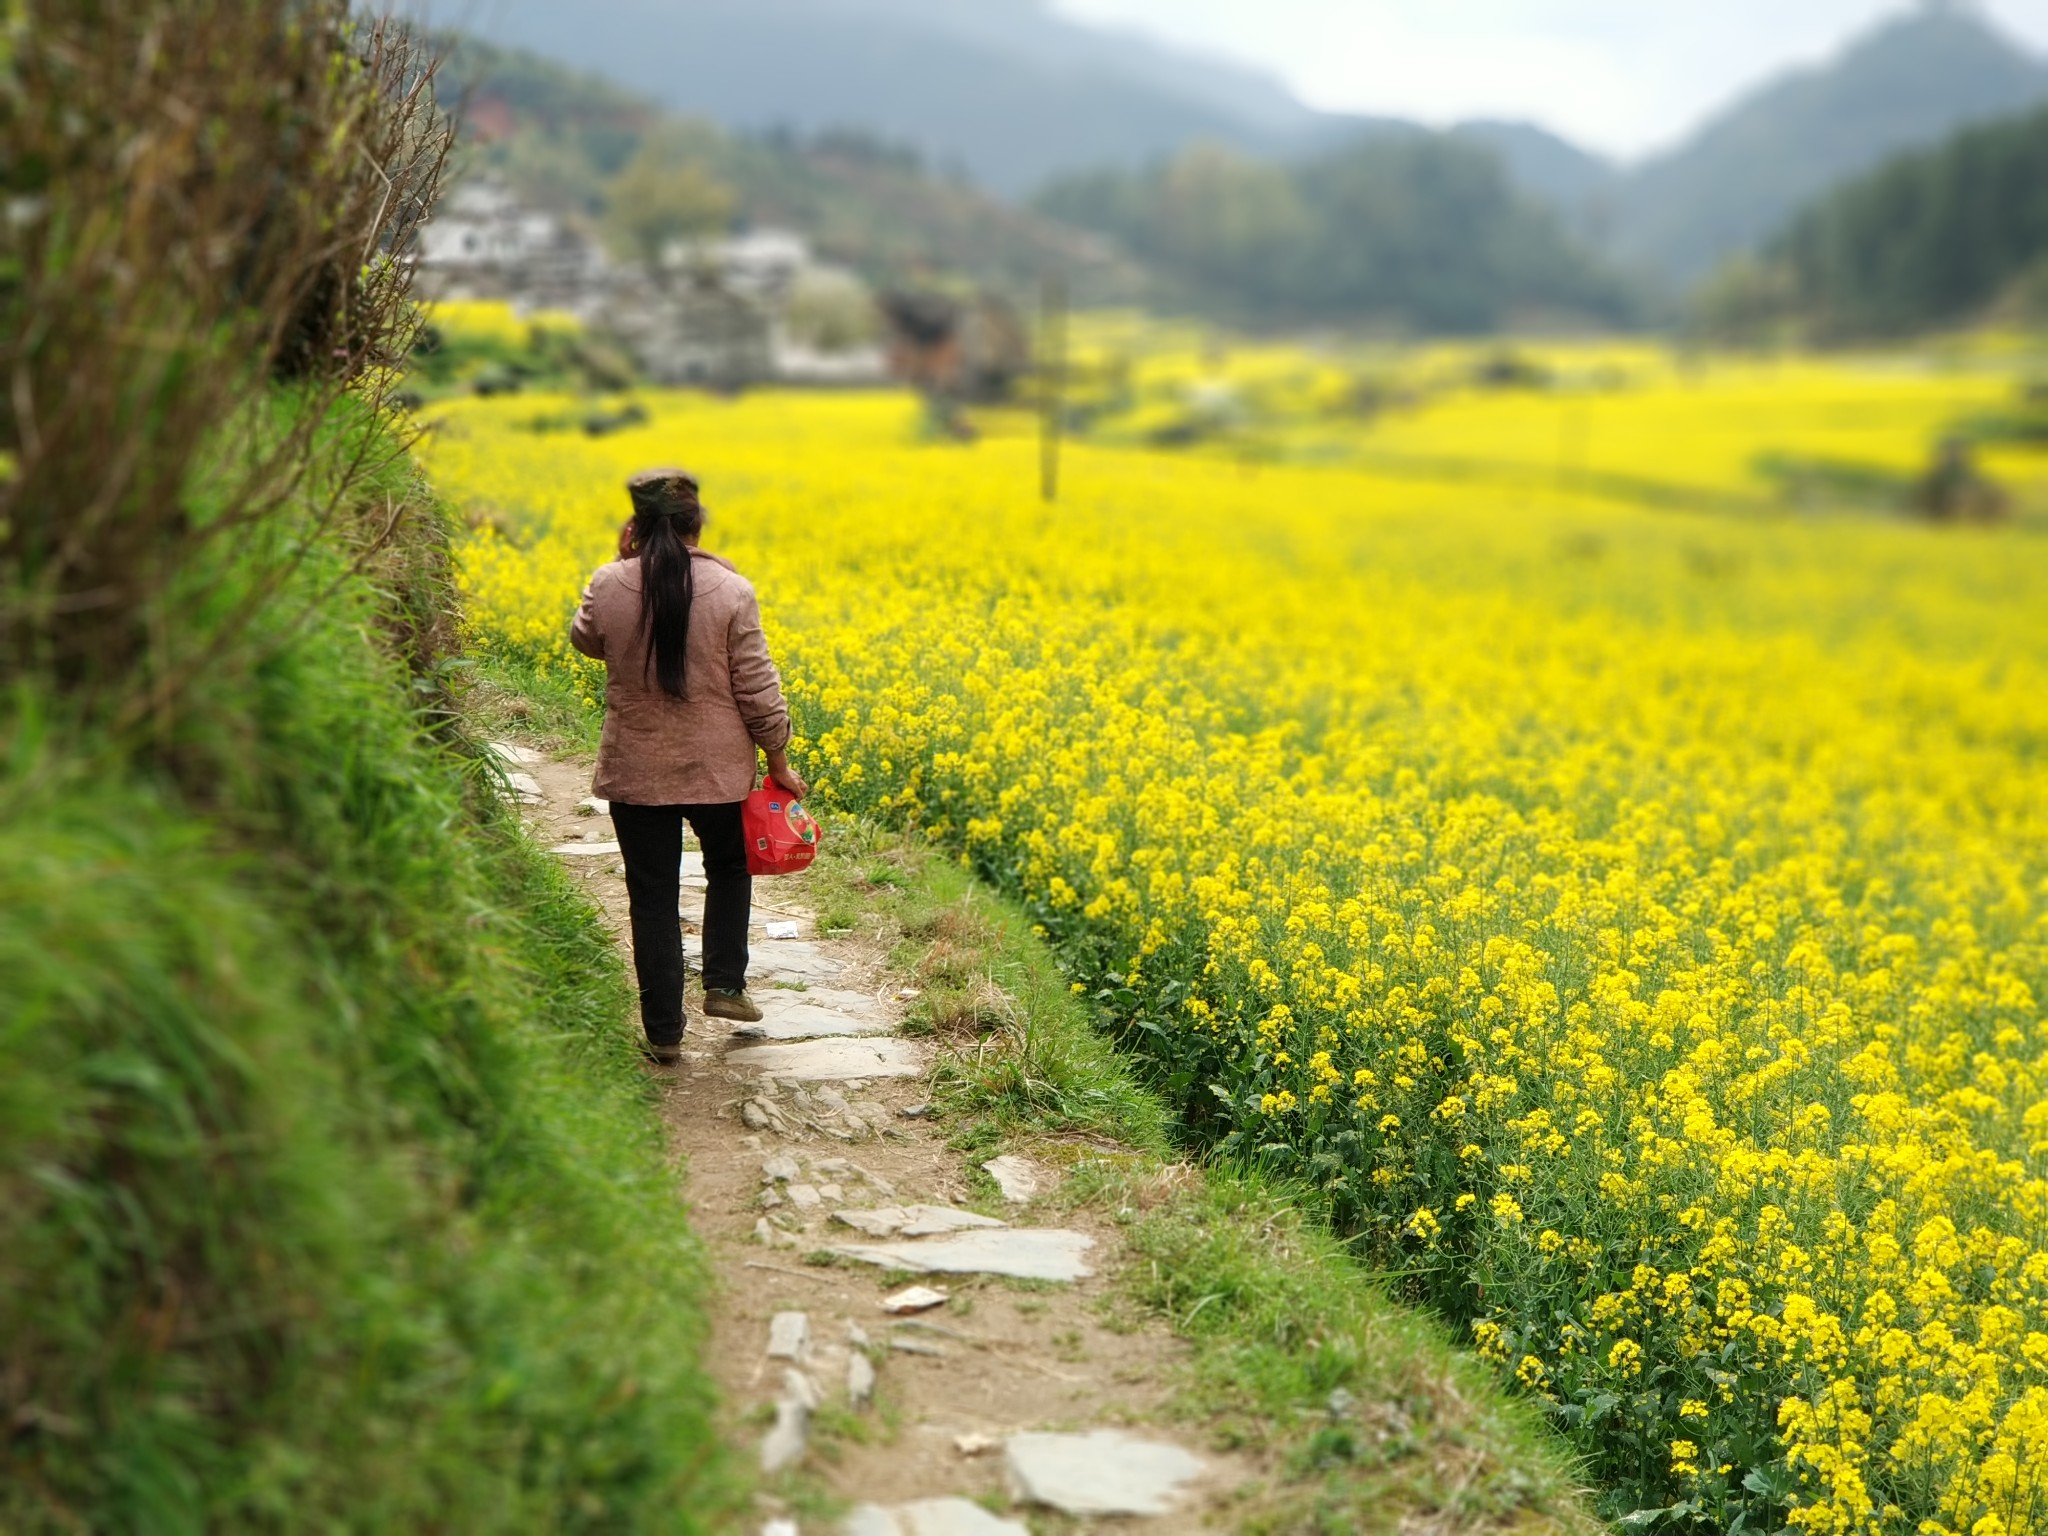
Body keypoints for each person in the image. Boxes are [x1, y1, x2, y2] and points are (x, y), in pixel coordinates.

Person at [570, 467, 808, 1065]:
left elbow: (586, 639)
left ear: (636, 525)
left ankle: (663, 1031)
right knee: (729, 867)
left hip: (637, 769)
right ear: (696, 522)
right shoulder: (732, 591)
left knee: (652, 895)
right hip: (718, 771)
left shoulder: (608, 583)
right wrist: (778, 758)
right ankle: (725, 984)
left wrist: (619, 563)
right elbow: (758, 688)